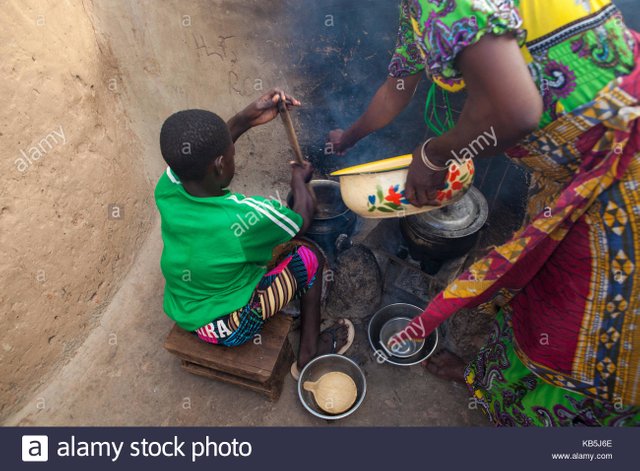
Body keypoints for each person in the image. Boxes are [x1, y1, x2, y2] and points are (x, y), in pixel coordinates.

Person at [329, 1, 640, 425]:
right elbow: (398, 88)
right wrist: (348, 137)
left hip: (623, 174)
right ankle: (492, 385)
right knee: (539, 289)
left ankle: (581, 439)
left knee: (590, 326)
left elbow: (517, 111)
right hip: (571, 173)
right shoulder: (416, 9)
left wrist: (434, 154)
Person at [156, 89, 354, 380]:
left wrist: (244, 119)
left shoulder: (168, 185)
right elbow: (301, 220)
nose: (233, 156)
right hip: (230, 326)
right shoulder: (246, 216)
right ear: (221, 164)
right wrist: (300, 182)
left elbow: (205, 156)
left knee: (252, 253)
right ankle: (309, 354)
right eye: (232, 154)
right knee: (309, 257)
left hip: (184, 307)